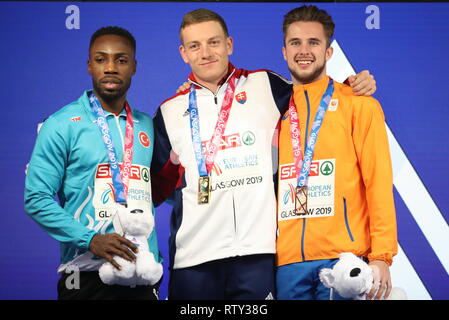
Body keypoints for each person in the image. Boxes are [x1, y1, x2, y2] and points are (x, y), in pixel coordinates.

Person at [151, 8, 376, 300]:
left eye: (214, 42)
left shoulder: (266, 85)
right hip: (194, 259)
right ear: (184, 53)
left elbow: (315, 99)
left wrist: (351, 87)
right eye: (195, 46)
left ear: (229, 44)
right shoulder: (169, 111)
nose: (205, 52)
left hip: (258, 254)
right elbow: (156, 190)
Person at [24, 26, 162, 300]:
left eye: (121, 60)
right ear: (89, 66)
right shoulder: (61, 124)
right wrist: (91, 239)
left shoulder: (147, 125)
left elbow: (161, 191)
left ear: (134, 66)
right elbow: (36, 198)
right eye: (101, 59)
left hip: (143, 275)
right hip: (85, 276)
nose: (110, 68)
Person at [275, 5, 398, 300]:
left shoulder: (359, 105)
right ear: (284, 52)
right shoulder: (272, 109)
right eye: (296, 43)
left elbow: (378, 182)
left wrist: (381, 255)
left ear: (328, 52)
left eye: (313, 42)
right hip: (288, 263)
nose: (304, 51)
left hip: (344, 260)